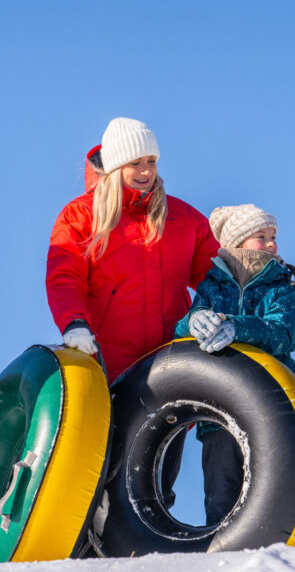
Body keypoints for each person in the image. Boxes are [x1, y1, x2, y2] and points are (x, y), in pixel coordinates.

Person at [46, 117, 218, 506]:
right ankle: (91, 552)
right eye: (135, 164)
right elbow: (64, 276)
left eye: (151, 162)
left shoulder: (183, 219)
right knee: (109, 468)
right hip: (108, 362)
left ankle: (152, 549)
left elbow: (215, 275)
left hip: (169, 361)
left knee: (161, 470)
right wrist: (74, 323)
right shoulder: (81, 216)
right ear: (116, 165)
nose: (145, 172)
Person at [174, 204, 295, 524]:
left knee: (266, 485)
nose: (271, 243)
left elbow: (283, 333)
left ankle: (269, 549)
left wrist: (238, 328)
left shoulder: (281, 285)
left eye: (273, 236)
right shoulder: (212, 285)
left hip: (268, 401)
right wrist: (194, 321)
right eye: (262, 237)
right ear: (239, 242)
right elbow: (181, 332)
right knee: (221, 486)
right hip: (219, 406)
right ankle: (219, 545)